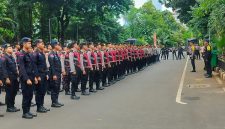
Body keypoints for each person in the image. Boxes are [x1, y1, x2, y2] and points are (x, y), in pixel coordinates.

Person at [18, 37, 39, 119]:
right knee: (26, 95)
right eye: (29, 43)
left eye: (30, 43)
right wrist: (27, 79)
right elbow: (22, 69)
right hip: (26, 79)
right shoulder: (21, 54)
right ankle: (25, 112)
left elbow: (32, 66)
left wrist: (35, 77)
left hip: (31, 77)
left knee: (30, 95)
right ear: (24, 44)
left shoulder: (28, 54)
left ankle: (28, 110)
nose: (30, 44)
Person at [32, 39, 50, 113]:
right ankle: (39, 107)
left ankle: (42, 105)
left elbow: (45, 65)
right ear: (37, 44)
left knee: (43, 91)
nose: (43, 45)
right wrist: (37, 76)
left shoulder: (41, 53)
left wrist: (46, 73)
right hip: (39, 74)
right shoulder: (35, 54)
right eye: (42, 44)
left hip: (43, 74)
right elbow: (34, 66)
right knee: (39, 91)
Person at [2, 44, 20, 113]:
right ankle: (9, 107)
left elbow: (14, 67)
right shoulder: (4, 57)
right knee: (9, 93)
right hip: (9, 78)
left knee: (14, 92)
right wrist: (6, 78)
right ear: (5, 49)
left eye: (11, 48)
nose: (11, 49)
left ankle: (12, 105)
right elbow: (3, 69)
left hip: (14, 77)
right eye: (9, 48)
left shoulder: (11, 57)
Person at [48, 40, 64, 107]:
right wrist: (54, 74)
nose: (59, 46)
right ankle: (54, 102)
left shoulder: (56, 54)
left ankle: (56, 101)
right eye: (58, 45)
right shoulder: (51, 54)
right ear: (54, 46)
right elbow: (52, 66)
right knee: (54, 88)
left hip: (58, 73)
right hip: (54, 74)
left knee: (57, 87)